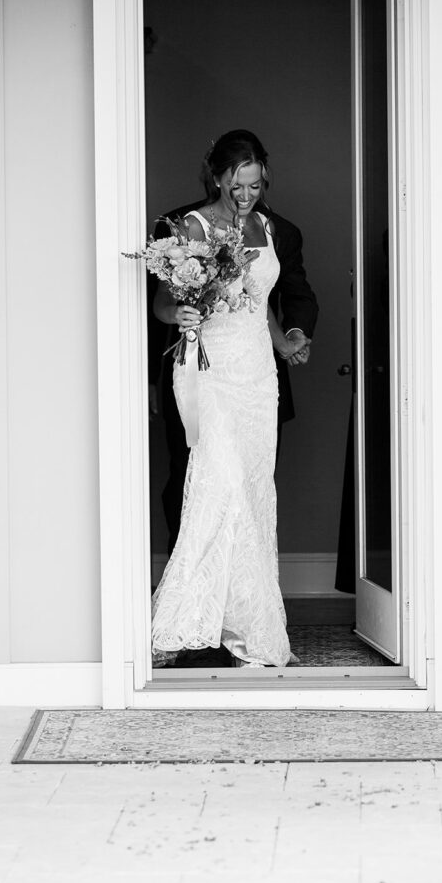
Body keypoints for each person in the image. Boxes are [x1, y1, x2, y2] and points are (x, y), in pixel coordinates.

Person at [150, 130, 317, 667]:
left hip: (258, 376)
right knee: (216, 488)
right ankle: (182, 625)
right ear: (217, 176)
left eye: (254, 185)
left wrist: (285, 342)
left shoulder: (267, 228)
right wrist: (180, 313)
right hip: (212, 371)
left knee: (252, 492)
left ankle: (247, 626)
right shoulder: (190, 227)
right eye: (236, 184)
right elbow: (162, 304)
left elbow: (258, 301)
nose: (245, 195)